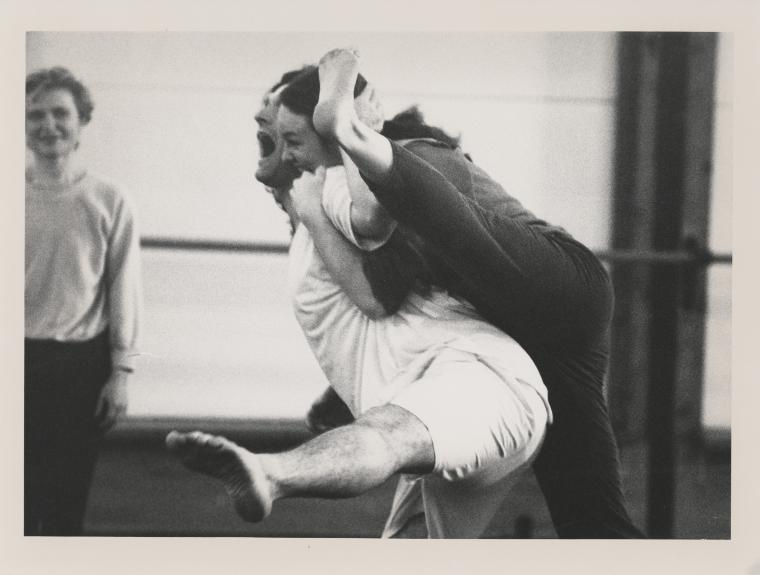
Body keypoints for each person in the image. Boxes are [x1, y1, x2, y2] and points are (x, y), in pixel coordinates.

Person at [166, 67, 552, 538]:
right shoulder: (316, 204)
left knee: (386, 435)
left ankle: (272, 474)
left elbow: (375, 272)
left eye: (289, 131)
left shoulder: (330, 188)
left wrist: (353, 129)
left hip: (480, 382)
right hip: (439, 394)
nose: (267, 126)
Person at [308, 48, 644, 538]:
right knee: (592, 520)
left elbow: (374, 227)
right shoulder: (395, 212)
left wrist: (349, 137)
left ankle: (350, 128)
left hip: (565, 286)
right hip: (542, 341)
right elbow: (383, 304)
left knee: (432, 210)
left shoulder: (427, 153)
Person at [25, 66, 142, 535]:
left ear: (81, 121)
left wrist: (122, 373)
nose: (48, 125)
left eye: (60, 113)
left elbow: (123, 289)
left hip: (78, 366)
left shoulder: (110, 199)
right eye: (36, 114)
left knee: (63, 503)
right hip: (14, 360)